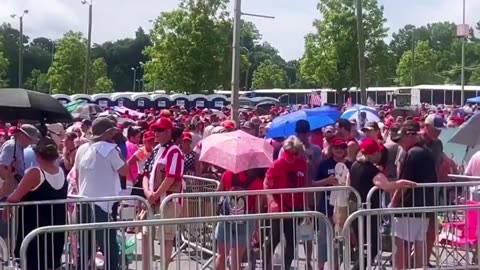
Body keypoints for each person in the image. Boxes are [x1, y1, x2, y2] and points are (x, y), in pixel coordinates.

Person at [349, 137, 416, 270]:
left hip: (355, 210)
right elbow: (386, 186)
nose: (380, 155)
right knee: (372, 248)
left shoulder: (354, 165)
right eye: (377, 152)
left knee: (363, 247)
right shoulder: (372, 171)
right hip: (369, 212)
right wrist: (401, 183)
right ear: (372, 154)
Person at [74, 117, 129, 270]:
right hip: (102, 204)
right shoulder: (110, 149)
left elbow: (77, 172)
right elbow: (124, 170)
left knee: (85, 245)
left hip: (84, 201)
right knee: (109, 245)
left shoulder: (83, 149)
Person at [7, 137, 67, 270]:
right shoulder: (61, 171)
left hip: (34, 230)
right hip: (55, 229)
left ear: (38, 155)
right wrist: (16, 174)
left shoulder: (35, 172)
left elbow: (15, 197)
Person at [390, 120, 437, 270]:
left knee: (402, 243)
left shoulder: (412, 153)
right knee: (419, 243)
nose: (400, 144)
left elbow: (404, 183)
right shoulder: (427, 153)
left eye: (401, 140)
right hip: (424, 206)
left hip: (409, 207)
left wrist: (393, 203)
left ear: (410, 136)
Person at [143, 117, 184, 269]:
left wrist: (155, 195)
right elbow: (145, 173)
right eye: (155, 130)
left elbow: (171, 177)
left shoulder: (175, 151)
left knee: (166, 239)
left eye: (159, 130)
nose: (156, 133)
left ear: (168, 132)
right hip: (153, 200)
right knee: (146, 235)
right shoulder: (155, 150)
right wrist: (148, 193)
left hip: (168, 202)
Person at [263, 136, 308, 270]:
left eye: (294, 154)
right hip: (280, 208)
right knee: (274, 238)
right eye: (288, 153)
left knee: (292, 240)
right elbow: (266, 184)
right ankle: (266, 265)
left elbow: (304, 186)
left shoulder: (302, 164)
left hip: (296, 207)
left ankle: (287, 266)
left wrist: (306, 207)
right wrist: (271, 201)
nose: (290, 157)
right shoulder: (277, 164)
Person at [312, 136, 350, 270]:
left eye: (342, 147)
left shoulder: (350, 164)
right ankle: (320, 266)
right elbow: (313, 183)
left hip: (344, 207)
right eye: (336, 147)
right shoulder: (324, 164)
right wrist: (326, 181)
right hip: (326, 207)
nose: (339, 150)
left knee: (340, 239)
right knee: (323, 238)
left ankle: (336, 266)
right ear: (331, 148)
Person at [215, 168, 265, 270]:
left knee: (221, 256)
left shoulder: (227, 175)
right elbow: (257, 209)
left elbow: (218, 194)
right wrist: (257, 230)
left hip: (226, 218)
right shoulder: (258, 183)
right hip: (246, 221)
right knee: (237, 259)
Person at [0, 124, 41, 198]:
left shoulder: (18, 147)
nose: (30, 143)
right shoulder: (12, 146)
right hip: (8, 190)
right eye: (30, 139)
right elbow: (2, 167)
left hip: (12, 188)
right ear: (22, 135)